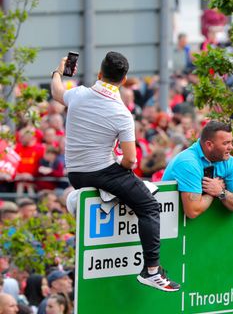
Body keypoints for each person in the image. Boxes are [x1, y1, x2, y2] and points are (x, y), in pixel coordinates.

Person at [50, 51, 179, 292]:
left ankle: (112, 193)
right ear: (124, 79)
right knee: (150, 206)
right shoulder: (121, 113)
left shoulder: (78, 95)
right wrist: (121, 173)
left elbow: (57, 91)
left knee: (128, 185)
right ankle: (151, 271)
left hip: (75, 174)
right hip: (102, 172)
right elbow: (130, 160)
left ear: (99, 74)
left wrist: (58, 71)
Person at [162, 121, 233, 218]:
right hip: (173, 227)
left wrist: (221, 192)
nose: (231, 147)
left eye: (231, 142)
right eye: (225, 143)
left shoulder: (229, 162)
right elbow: (193, 211)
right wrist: (212, 193)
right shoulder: (188, 162)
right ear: (209, 145)